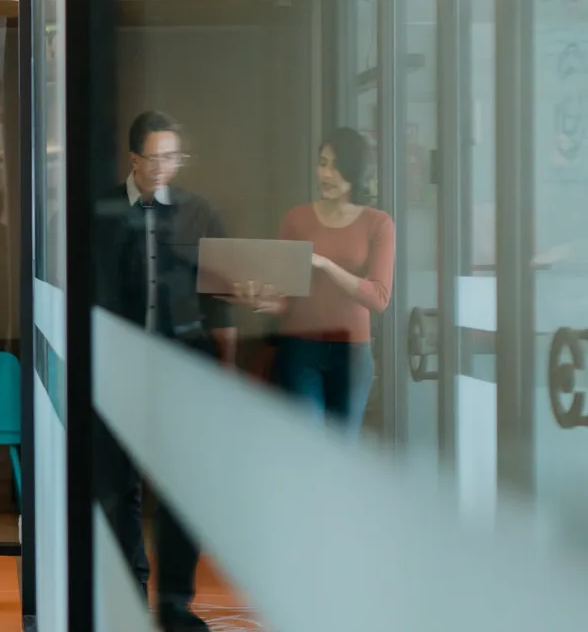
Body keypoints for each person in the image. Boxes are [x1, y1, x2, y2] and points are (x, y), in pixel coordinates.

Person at [97, 111, 235, 632]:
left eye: (172, 157)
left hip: (185, 365)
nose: (164, 167)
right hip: (120, 368)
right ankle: (131, 587)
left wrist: (223, 370)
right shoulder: (103, 212)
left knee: (182, 486)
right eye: (155, 158)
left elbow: (220, 298)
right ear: (135, 159)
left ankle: (175, 601)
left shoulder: (199, 213)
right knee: (119, 484)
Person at [234, 127, 395, 434]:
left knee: (340, 454)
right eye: (322, 163)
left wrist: (324, 264)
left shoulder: (379, 223)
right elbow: (286, 300)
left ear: (355, 171)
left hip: (352, 354)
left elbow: (379, 298)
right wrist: (258, 301)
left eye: (335, 165)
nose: (326, 173)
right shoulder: (296, 219)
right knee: (308, 448)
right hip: (300, 350)